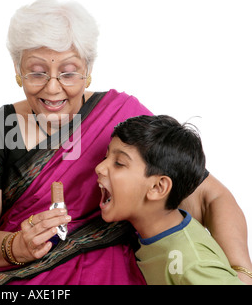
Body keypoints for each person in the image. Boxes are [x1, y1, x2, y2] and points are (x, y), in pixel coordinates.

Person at [0, 0, 252, 285]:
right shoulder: (0, 126)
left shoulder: (121, 117)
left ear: (87, 70)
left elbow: (210, 196)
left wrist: (241, 271)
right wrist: (15, 246)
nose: (52, 88)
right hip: (20, 275)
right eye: (37, 73)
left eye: (68, 73)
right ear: (17, 68)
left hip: (117, 270)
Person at [96, 115, 244, 284]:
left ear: (158, 187)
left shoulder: (191, 263)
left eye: (119, 163)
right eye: (105, 158)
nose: (99, 168)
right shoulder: (161, 234)